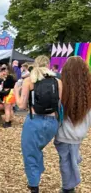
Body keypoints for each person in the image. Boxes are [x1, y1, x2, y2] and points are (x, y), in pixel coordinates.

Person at [15, 55, 62, 193]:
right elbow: (59, 104)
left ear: (35, 65)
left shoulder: (29, 81)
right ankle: (37, 172)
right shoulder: (57, 81)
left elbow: (22, 106)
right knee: (37, 149)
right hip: (52, 123)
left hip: (34, 121)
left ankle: (34, 185)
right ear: (48, 65)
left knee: (30, 153)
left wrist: (16, 92)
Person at [54, 57, 91, 193]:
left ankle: (68, 188)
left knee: (66, 161)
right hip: (80, 132)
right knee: (70, 157)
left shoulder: (61, 89)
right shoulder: (88, 91)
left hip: (65, 133)